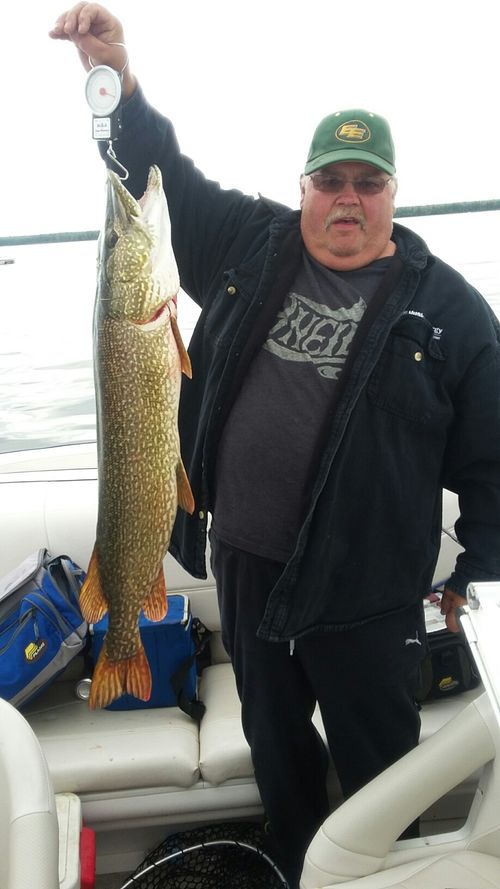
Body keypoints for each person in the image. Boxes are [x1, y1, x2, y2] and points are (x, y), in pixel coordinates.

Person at [51, 6, 500, 886]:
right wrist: (117, 78)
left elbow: (493, 459)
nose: (347, 197)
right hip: (247, 569)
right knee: (275, 743)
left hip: (368, 591)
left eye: (366, 183)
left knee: (381, 758)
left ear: (392, 193)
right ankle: (296, 861)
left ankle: (382, 873)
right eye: (329, 179)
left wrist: (478, 569)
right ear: (303, 187)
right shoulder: (251, 244)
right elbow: (160, 172)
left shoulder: (450, 312)